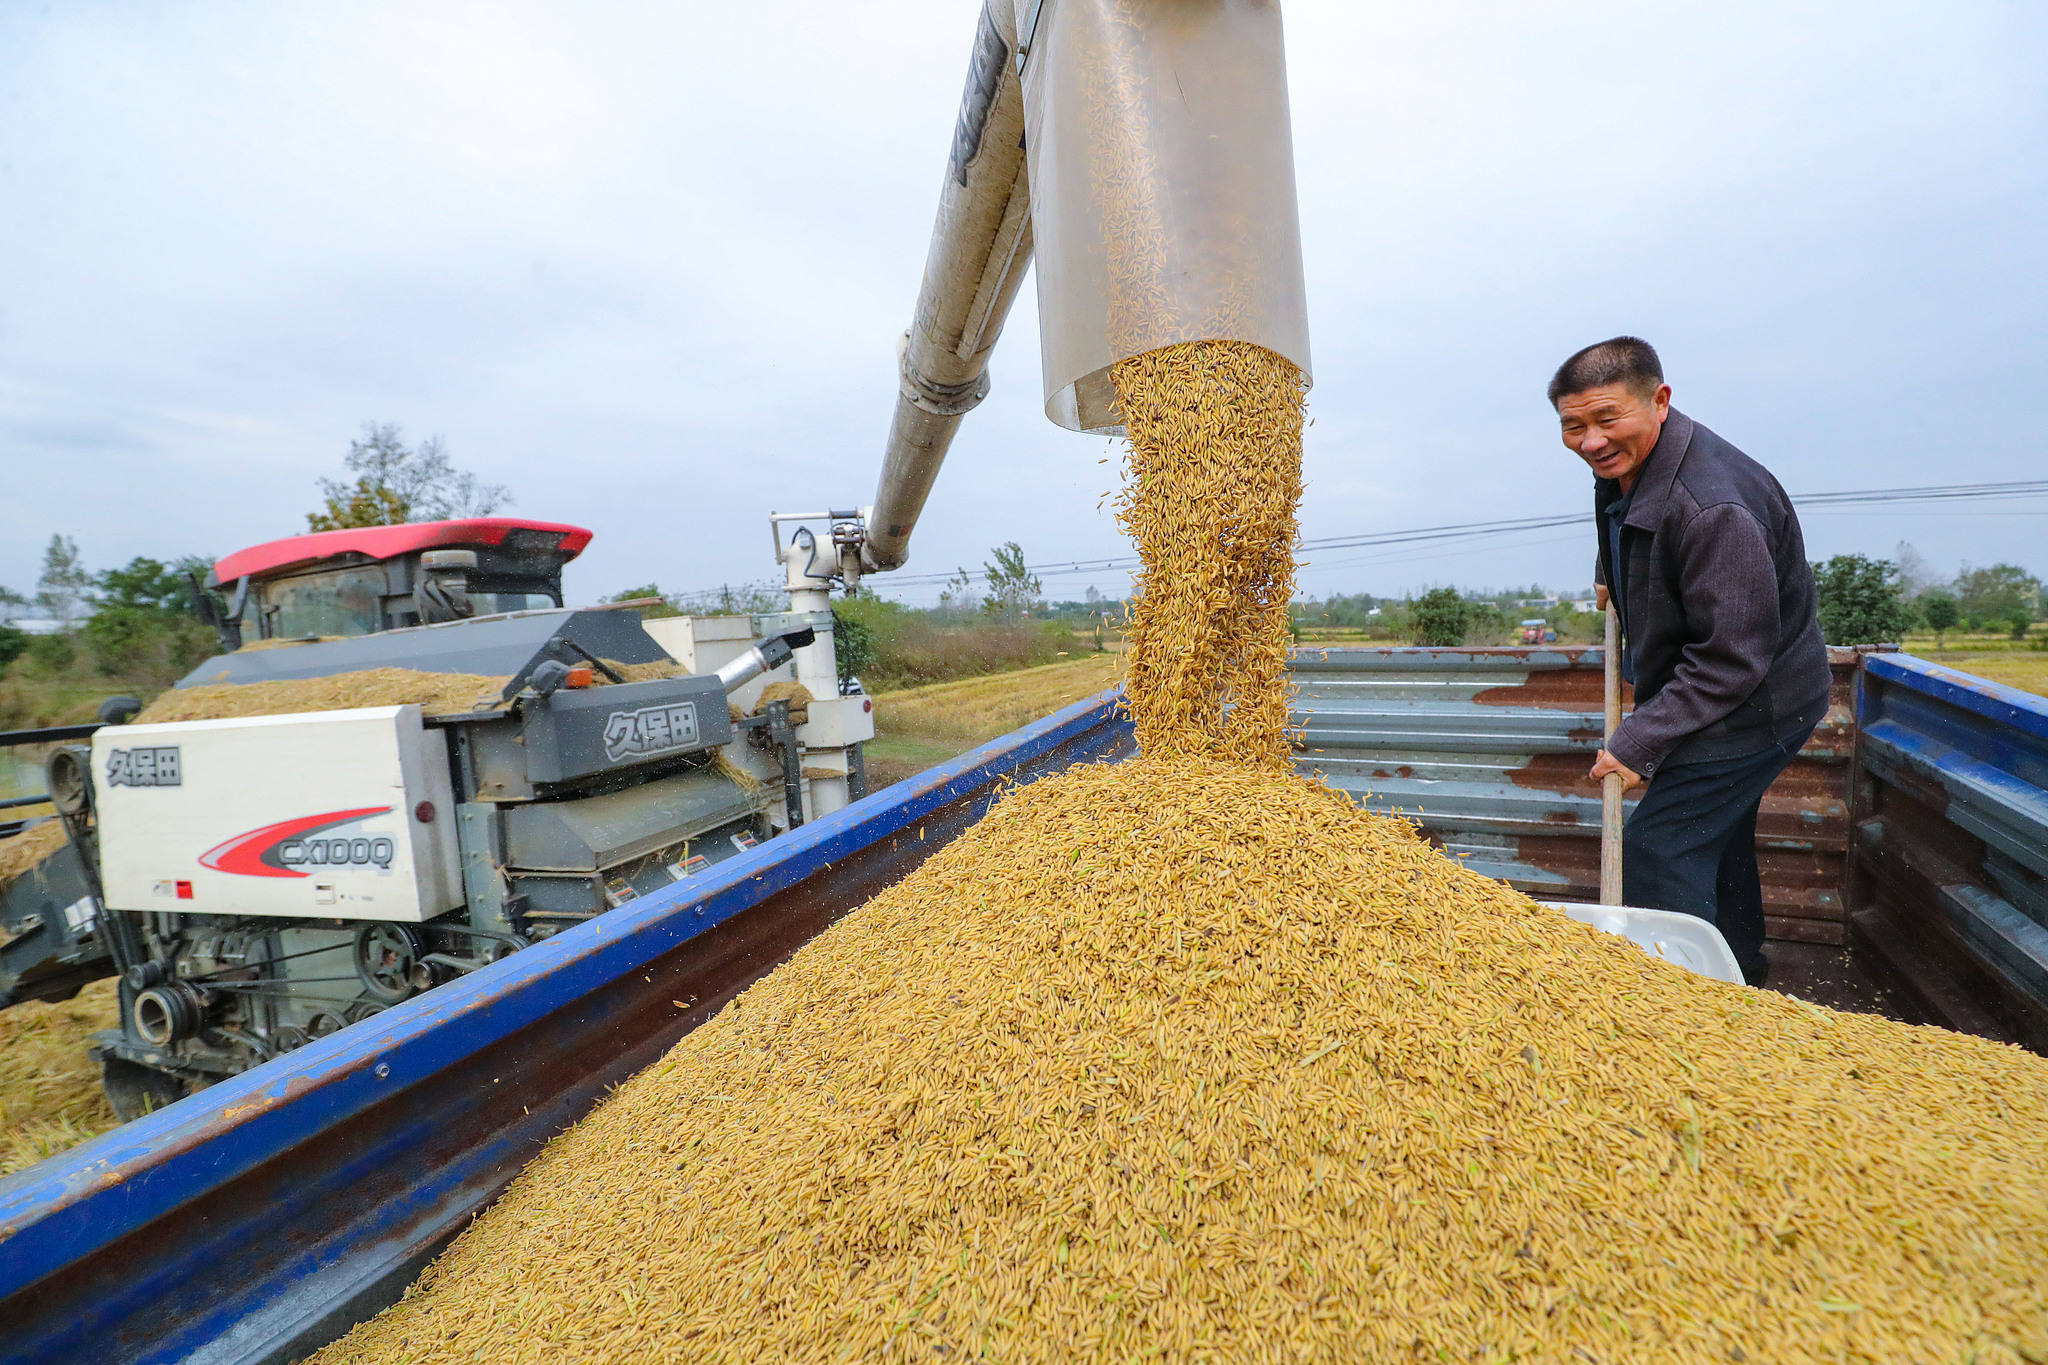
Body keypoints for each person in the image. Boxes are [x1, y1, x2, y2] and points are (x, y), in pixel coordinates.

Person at [1551, 337, 1830, 986]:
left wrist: (1638, 741)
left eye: (1607, 418)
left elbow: (1730, 659)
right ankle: (1742, 973)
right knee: (1718, 831)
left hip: (1755, 702)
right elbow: (1623, 514)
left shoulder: (1712, 507)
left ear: (1661, 401)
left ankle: (1684, 1007)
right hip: (1731, 680)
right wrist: (1609, 570)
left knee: (1660, 848)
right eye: (1573, 425)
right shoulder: (1628, 464)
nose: (1591, 441)